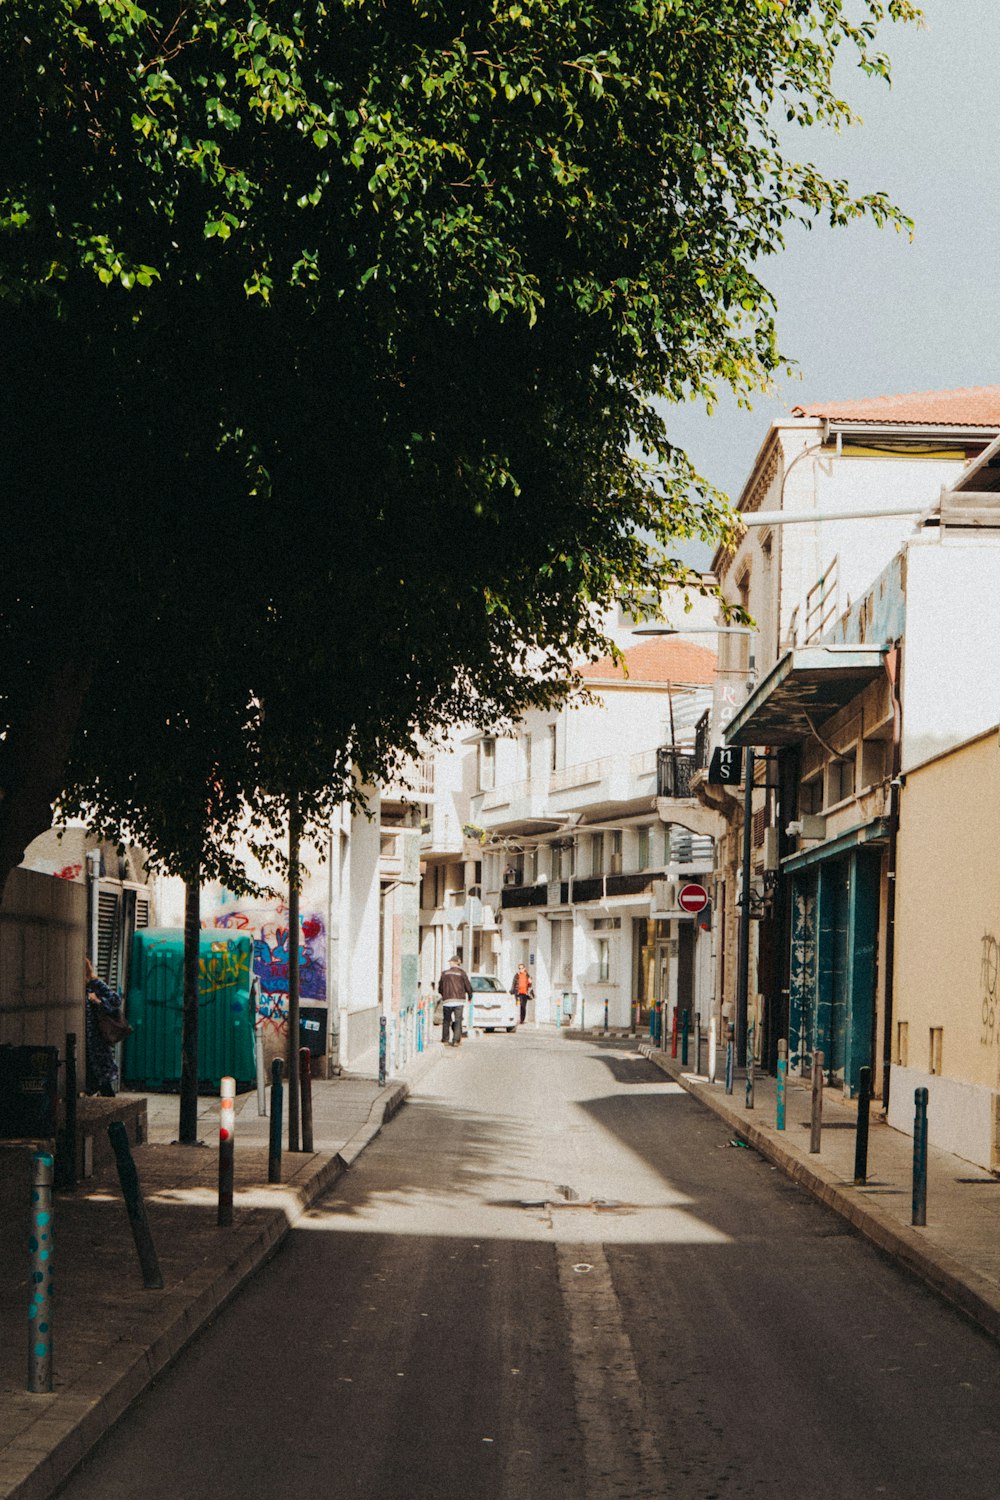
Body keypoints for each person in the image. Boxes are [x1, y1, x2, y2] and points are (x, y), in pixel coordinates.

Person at [84, 957, 126, 1096]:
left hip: (96, 1039)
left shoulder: (95, 984)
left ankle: (110, 1106)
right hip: (84, 1039)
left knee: (102, 1076)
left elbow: (116, 1000)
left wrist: (98, 1001)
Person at [437, 955, 472, 1047]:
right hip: (459, 1000)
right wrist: (470, 996)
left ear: (454, 962)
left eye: (450, 962)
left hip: (447, 1000)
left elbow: (440, 988)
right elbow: (468, 986)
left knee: (446, 1020)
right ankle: (456, 1040)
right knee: (458, 1020)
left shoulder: (444, 974)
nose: (449, 963)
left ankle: (445, 1039)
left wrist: (443, 994)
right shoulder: (462, 973)